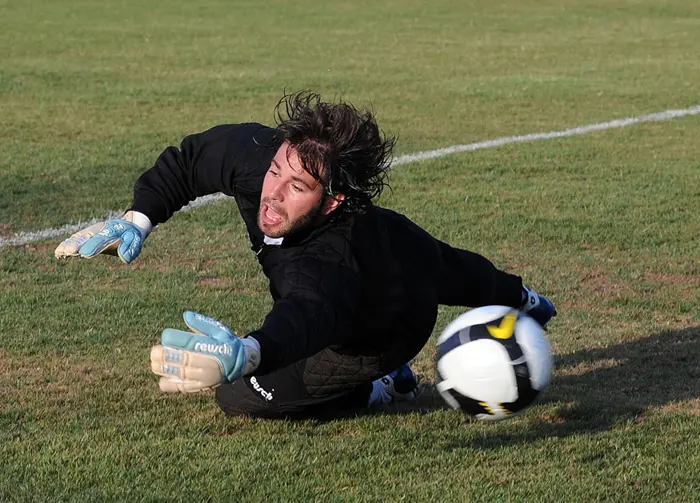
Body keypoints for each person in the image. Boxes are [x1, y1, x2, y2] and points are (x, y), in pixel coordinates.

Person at [54, 91, 556, 419]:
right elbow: (192, 161)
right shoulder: (265, 160)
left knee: (237, 396)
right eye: (276, 171)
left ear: (333, 201)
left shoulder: (329, 260)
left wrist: (249, 353)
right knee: (441, 265)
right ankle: (524, 297)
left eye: (297, 187)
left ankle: (378, 387)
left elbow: (308, 315)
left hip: (374, 336)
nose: (273, 193)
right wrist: (137, 218)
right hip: (401, 256)